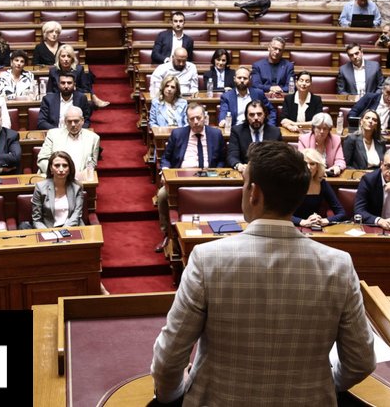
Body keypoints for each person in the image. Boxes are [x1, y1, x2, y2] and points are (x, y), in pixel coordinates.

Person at [151, 140, 376, 404]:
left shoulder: (207, 259)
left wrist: (173, 396)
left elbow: (168, 359)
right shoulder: (339, 266)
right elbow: (361, 361)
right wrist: (325, 383)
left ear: (254, 193)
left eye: (245, 183)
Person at [155, 103, 226, 251]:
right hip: (181, 178)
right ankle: (168, 233)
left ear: (205, 117)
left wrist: (217, 172)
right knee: (162, 195)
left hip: (209, 178)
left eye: (198, 118)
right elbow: (166, 158)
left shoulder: (215, 134)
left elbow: (221, 159)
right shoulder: (178, 134)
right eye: (191, 119)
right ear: (187, 120)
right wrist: (165, 171)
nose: (195, 122)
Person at [24, 150, 86, 230]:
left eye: (65, 165)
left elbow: (76, 214)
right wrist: (49, 233)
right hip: (48, 229)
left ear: (70, 168)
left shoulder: (77, 187)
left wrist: (63, 231)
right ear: (51, 168)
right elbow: (36, 220)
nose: (61, 169)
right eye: (57, 165)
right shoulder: (40, 187)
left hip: (72, 228)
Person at [37, 106, 99, 175]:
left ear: (82, 120)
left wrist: (85, 174)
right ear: (65, 121)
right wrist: (56, 172)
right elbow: (42, 159)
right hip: (54, 177)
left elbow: (92, 163)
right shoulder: (53, 135)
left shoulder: (93, 138)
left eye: (76, 121)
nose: (73, 124)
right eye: (69, 121)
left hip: (80, 179)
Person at [294, 148, 347, 227]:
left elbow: (341, 213)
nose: (308, 167)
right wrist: (302, 222)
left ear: (318, 167)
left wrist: (325, 220)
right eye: (305, 163)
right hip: (295, 227)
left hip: (316, 227)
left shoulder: (322, 184)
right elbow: (280, 214)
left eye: (312, 164)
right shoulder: (292, 184)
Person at [47, 44, 109, 109]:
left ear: (72, 59)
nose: (66, 59)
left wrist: (74, 89)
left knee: (89, 104)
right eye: (63, 56)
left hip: (75, 98)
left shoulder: (79, 70)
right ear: (58, 58)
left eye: (69, 56)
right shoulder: (53, 71)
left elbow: (85, 90)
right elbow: (49, 91)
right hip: (58, 99)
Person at [227, 100, 281, 172]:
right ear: (246, 116)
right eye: (251, 115)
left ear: (265, 115)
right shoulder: (237, 131)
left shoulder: (275, 132)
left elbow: (279, 157)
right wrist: (238, 165)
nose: (256, 118)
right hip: (245, 171)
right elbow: (232, 155)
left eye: (259, 114)